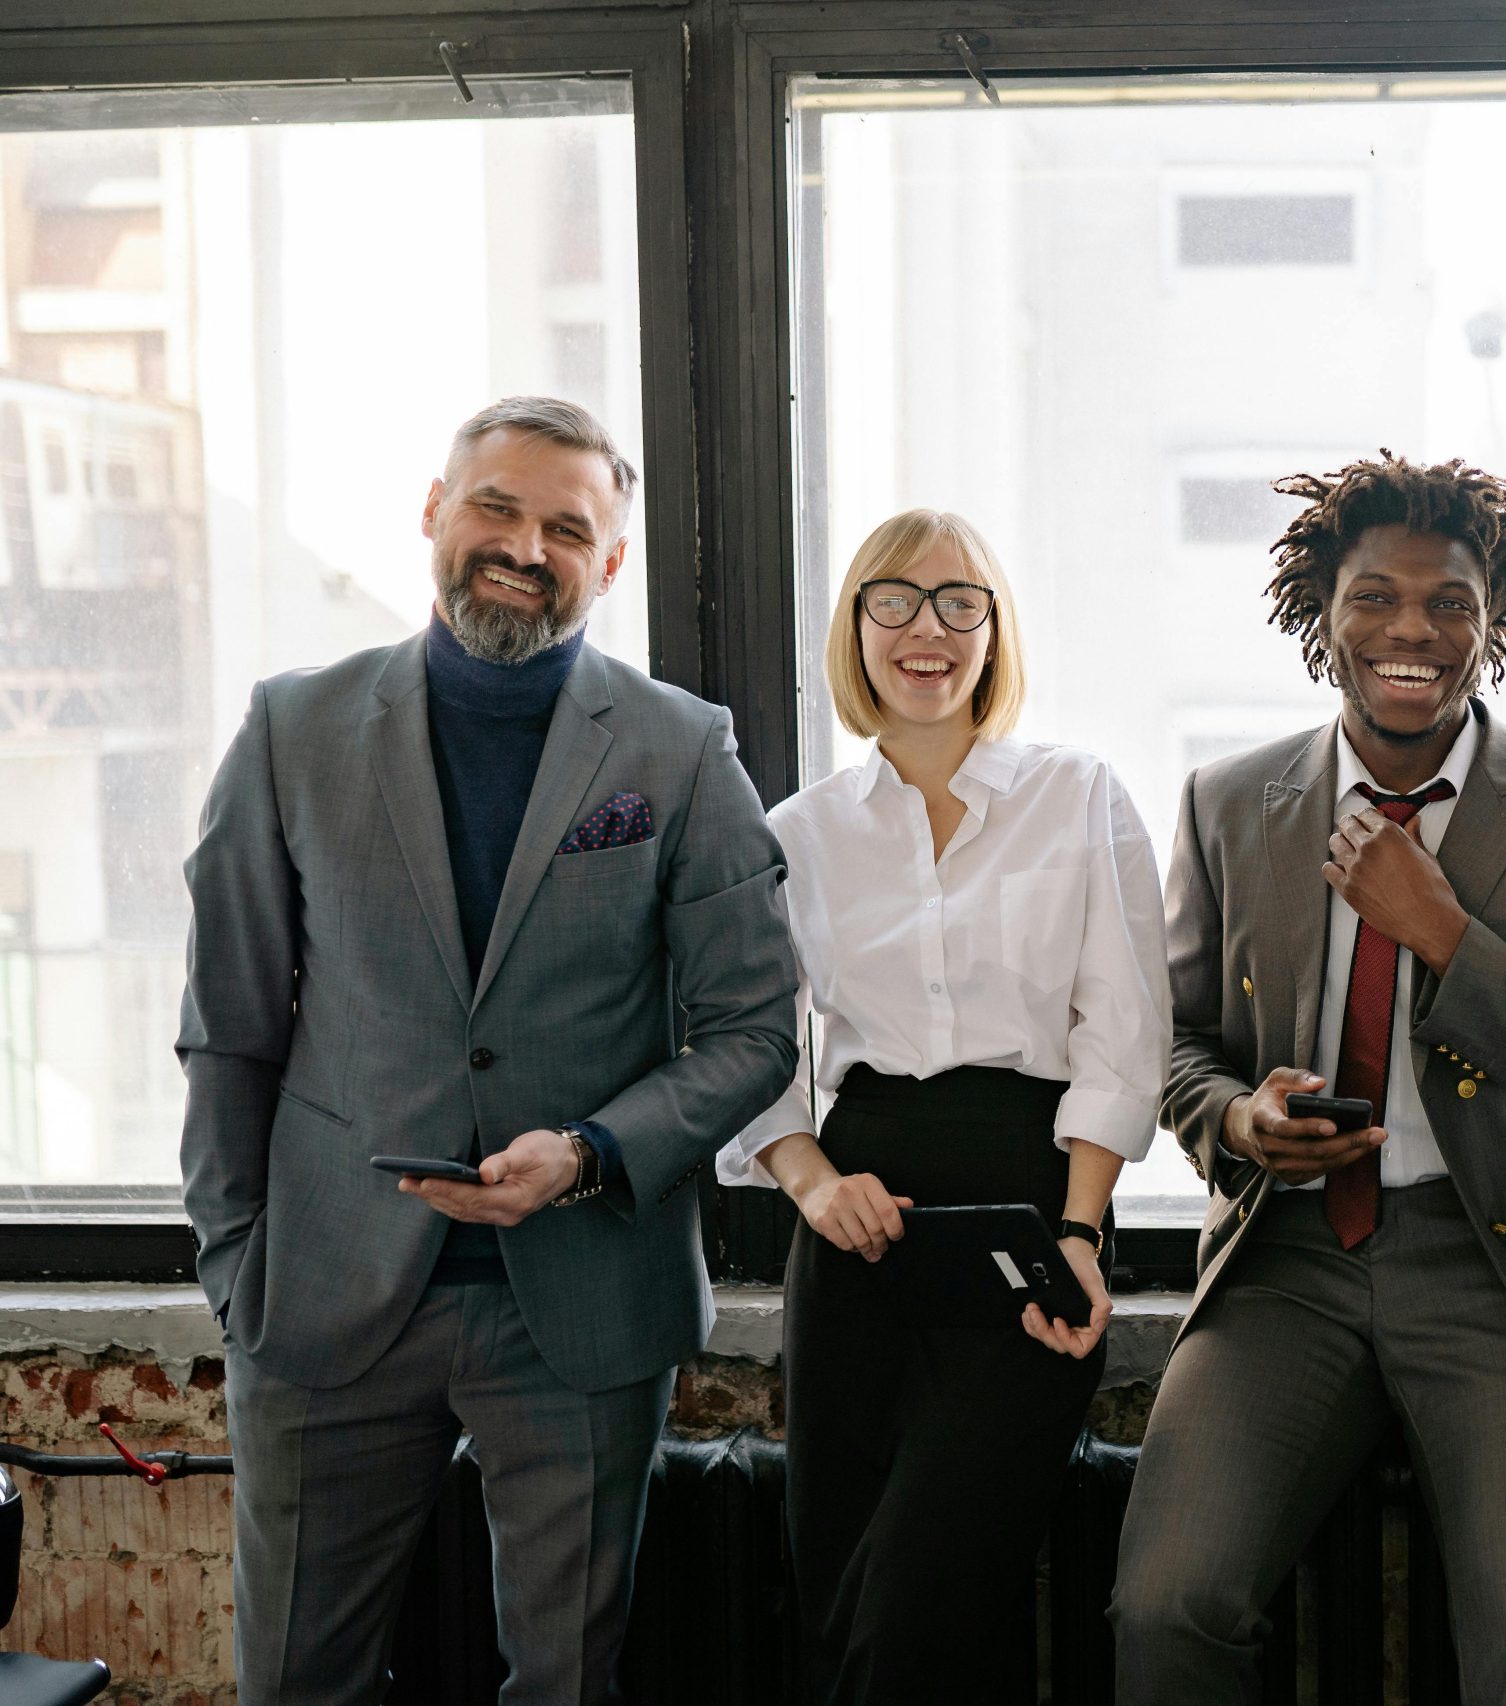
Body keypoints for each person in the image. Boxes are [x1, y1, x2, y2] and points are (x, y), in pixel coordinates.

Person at [177, 396, 799, 1704]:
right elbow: (229, 1026)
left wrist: (587, 1154)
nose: (525, 545)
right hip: (324, 1300)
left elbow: (751, 1032)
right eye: (497, 508)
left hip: (580, 1300)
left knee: (566, 1683)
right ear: (433, 512)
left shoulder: (680, 749)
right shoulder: (291, 730)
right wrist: (238, 1264)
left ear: (610, 561)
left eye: (567, 527)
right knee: (298, 1679)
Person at [1108, 452, 1506, 1705]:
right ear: (1322, 613)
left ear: (1496, 626)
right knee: (1165, 1608)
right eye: (1374, 596)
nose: (1410, 629)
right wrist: (1237, 1120)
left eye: (1449, 604)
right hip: (1290, 1265)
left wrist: (1449, 938)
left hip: (1504, 1269)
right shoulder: (1226, 802)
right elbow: (1172, 1043)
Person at [718, 509, 1170, 1704]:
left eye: (960, 601)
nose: (929, 628)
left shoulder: (1078, 796)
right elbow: (750, 1040)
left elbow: (1122, 1030)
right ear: (856, 626)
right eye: (897, 600)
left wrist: (1076, 1233)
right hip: (858, 1214)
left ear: (995, 629)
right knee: (841, 1587)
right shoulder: (797, 832)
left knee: (928, 1592)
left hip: (1029, 1207)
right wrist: (812, 1182)